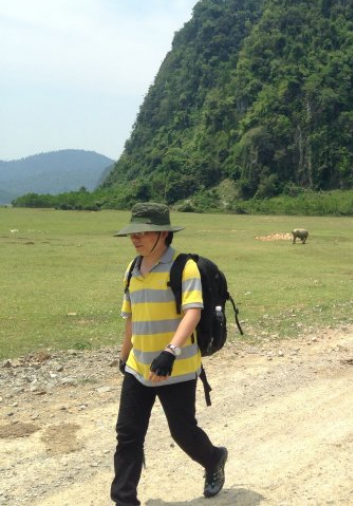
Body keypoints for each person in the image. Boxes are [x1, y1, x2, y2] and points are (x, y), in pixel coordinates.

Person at [112, 203, 227, 506]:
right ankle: (124, 500)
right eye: (132, 232)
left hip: (176, 365)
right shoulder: (132, 268)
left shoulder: (183, 267)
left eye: (142, 232)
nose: (135, 238)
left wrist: (170, 351)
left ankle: (214, 458)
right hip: (140, 366)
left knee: (182, 432)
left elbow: (193, 312)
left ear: (163, 233)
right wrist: (125, 357)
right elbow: (131, 318)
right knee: (128, 434)